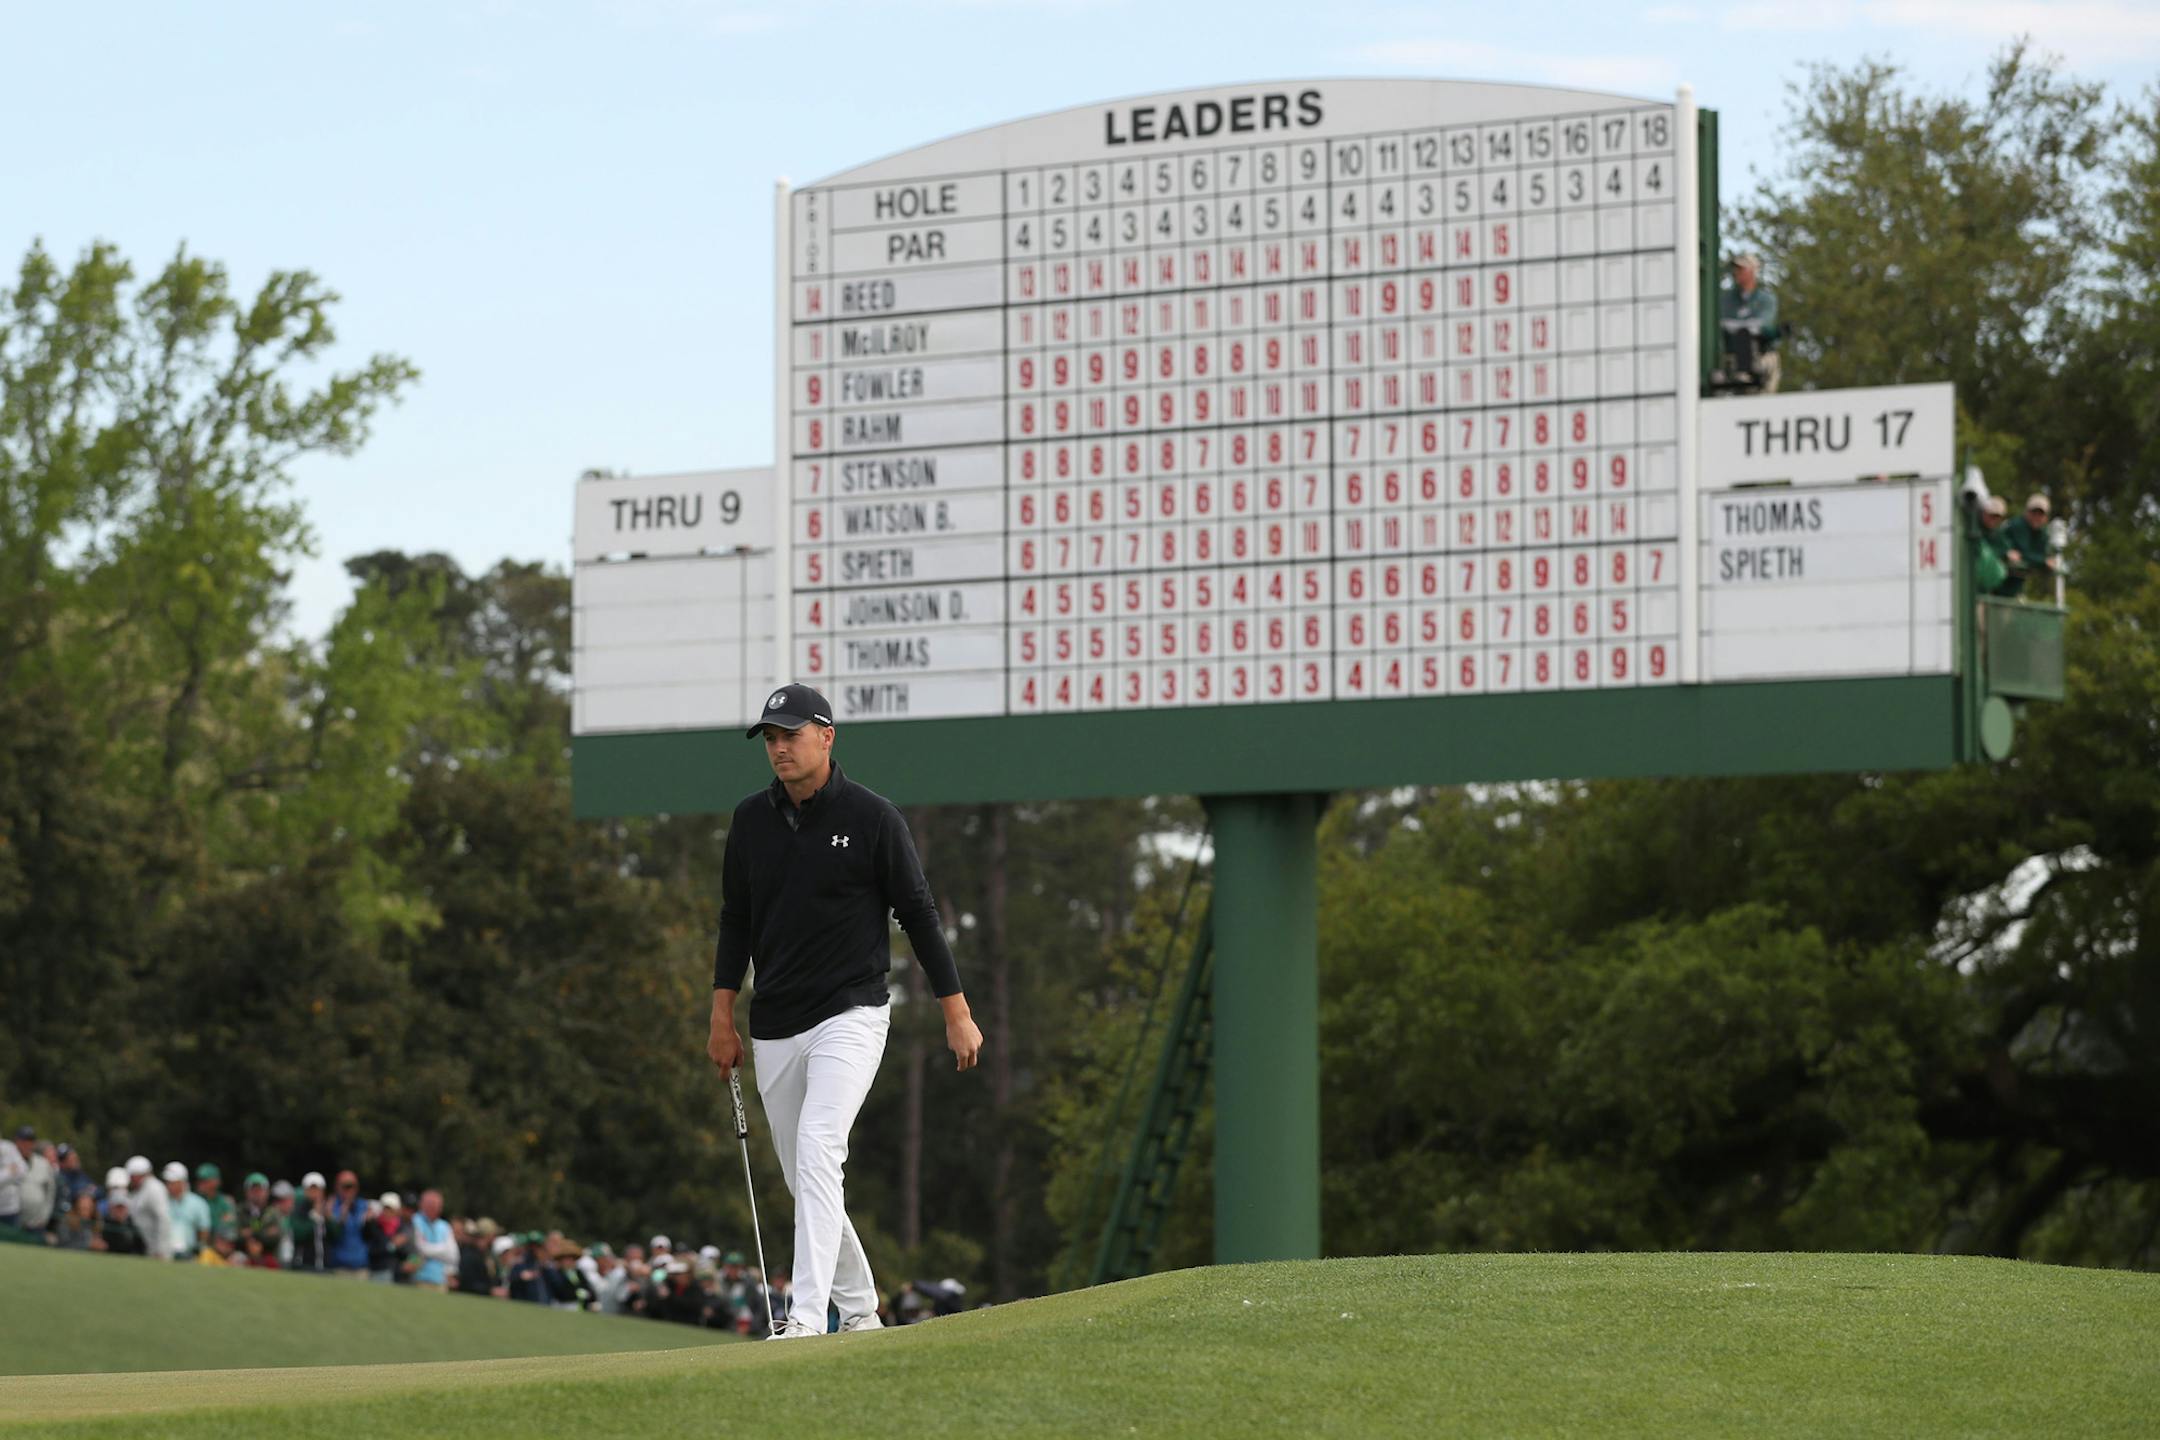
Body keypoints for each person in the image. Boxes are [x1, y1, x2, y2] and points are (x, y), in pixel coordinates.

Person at [711, 682, 983, 1339]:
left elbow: (918, 914)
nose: (779, 748)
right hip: (774, 1020)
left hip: (852, 1012)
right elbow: (735, 922)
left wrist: (957, 1011)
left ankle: (806, 1318)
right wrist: (721, 1015)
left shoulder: (872, 817)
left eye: (791, 736)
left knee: (818, 1148)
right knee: (805, 1179)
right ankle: (861, 1310)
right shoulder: (750, 820)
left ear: (826, 737)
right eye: (771, 739)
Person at [1718, 253, 1781, 393]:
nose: (1737, 273)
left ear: (1753, 271)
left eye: (1742, 269)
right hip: (1733, 359)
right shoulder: (1726, 299)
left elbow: (1762, 326)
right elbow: (1722, 323)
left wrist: (1738, 326)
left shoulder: (1766, 299)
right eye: (1736, 269)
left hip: (1763, 356)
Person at [2000, 493, 2058, 598]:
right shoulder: (2018, 525)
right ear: (2026, 512)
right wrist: (2043, 561)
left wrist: (2045, 560)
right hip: (2000, 578)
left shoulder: (2043, 533)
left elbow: (2043, 555)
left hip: (2017, 580)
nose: (2037, 517)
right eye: (2033, 512)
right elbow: (2023, 554)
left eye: (2041, 514)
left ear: (2046, 517)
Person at [324, 1170, 373, 1277]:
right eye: (345, 1186)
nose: (349, 1190)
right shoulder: (331, 1206)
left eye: (352, 1186)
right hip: (339, 1266)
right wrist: (337, 1220)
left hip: (361, 1266)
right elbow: (331, 1236)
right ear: (337, 1186)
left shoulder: (363, 1205)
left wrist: (370, 1223)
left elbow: (371, 1236)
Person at [409, 1189, 459, 1291]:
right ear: (423, 1205)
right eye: (431, 1204)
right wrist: (443, 1250)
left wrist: (429, 1250)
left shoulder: (445, 1226)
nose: (435, 1208)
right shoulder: (415, 1220)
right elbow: (420, 1248)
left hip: (441, 1280)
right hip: (419, 1278)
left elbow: (453, 1254)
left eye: (437, 1205)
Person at [125, 1156, 172, 1261]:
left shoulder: (155, 1189)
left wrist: (160, 1250)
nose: (130, 1179)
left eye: (132, 1176)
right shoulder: (141, 1190)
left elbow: (163, 1219)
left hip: (156, 1251)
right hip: (146, 1248)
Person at [164, 1161, 212, 1259]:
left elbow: (204, 1231)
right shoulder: (161, 1201)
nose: (169, 1185)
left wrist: (198, 1251)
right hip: (164, 1252)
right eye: (167, 1182)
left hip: (189, 1254)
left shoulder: (198, 1203)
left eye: (172, 1182)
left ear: (182, 1182)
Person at [287, 1173, 330, 1273]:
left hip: (324, 1266)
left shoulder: (326, 1210)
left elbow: (335, 1235)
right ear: (305, 1191)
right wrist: (315, 1216)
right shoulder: (298, 1209)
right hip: (303, 1265)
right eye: (311, 1189)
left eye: (317, 1189)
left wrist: (329, 1219)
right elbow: (298, 1235)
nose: (314, 1193)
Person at [195, 1163, 237, 1245]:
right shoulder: (195, 1201)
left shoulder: (226, 1201)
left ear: (216, 1182)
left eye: (205, 1181)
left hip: (221, 1244)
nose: (201, 1184)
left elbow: (230, 1225)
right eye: (200, 1181)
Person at [99, 1187, 148, 1256]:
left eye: (123, 1207)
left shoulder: (133, 1227)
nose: (120, 1211)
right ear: (111, 1208)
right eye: (117, 1207)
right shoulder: (102, 1225)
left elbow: (141, 1250)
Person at [0, 1124, 30, 1228]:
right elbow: (13, 1173)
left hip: (10, 1210)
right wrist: (9, 1173)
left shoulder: (9, 1147)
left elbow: (23, 1170)